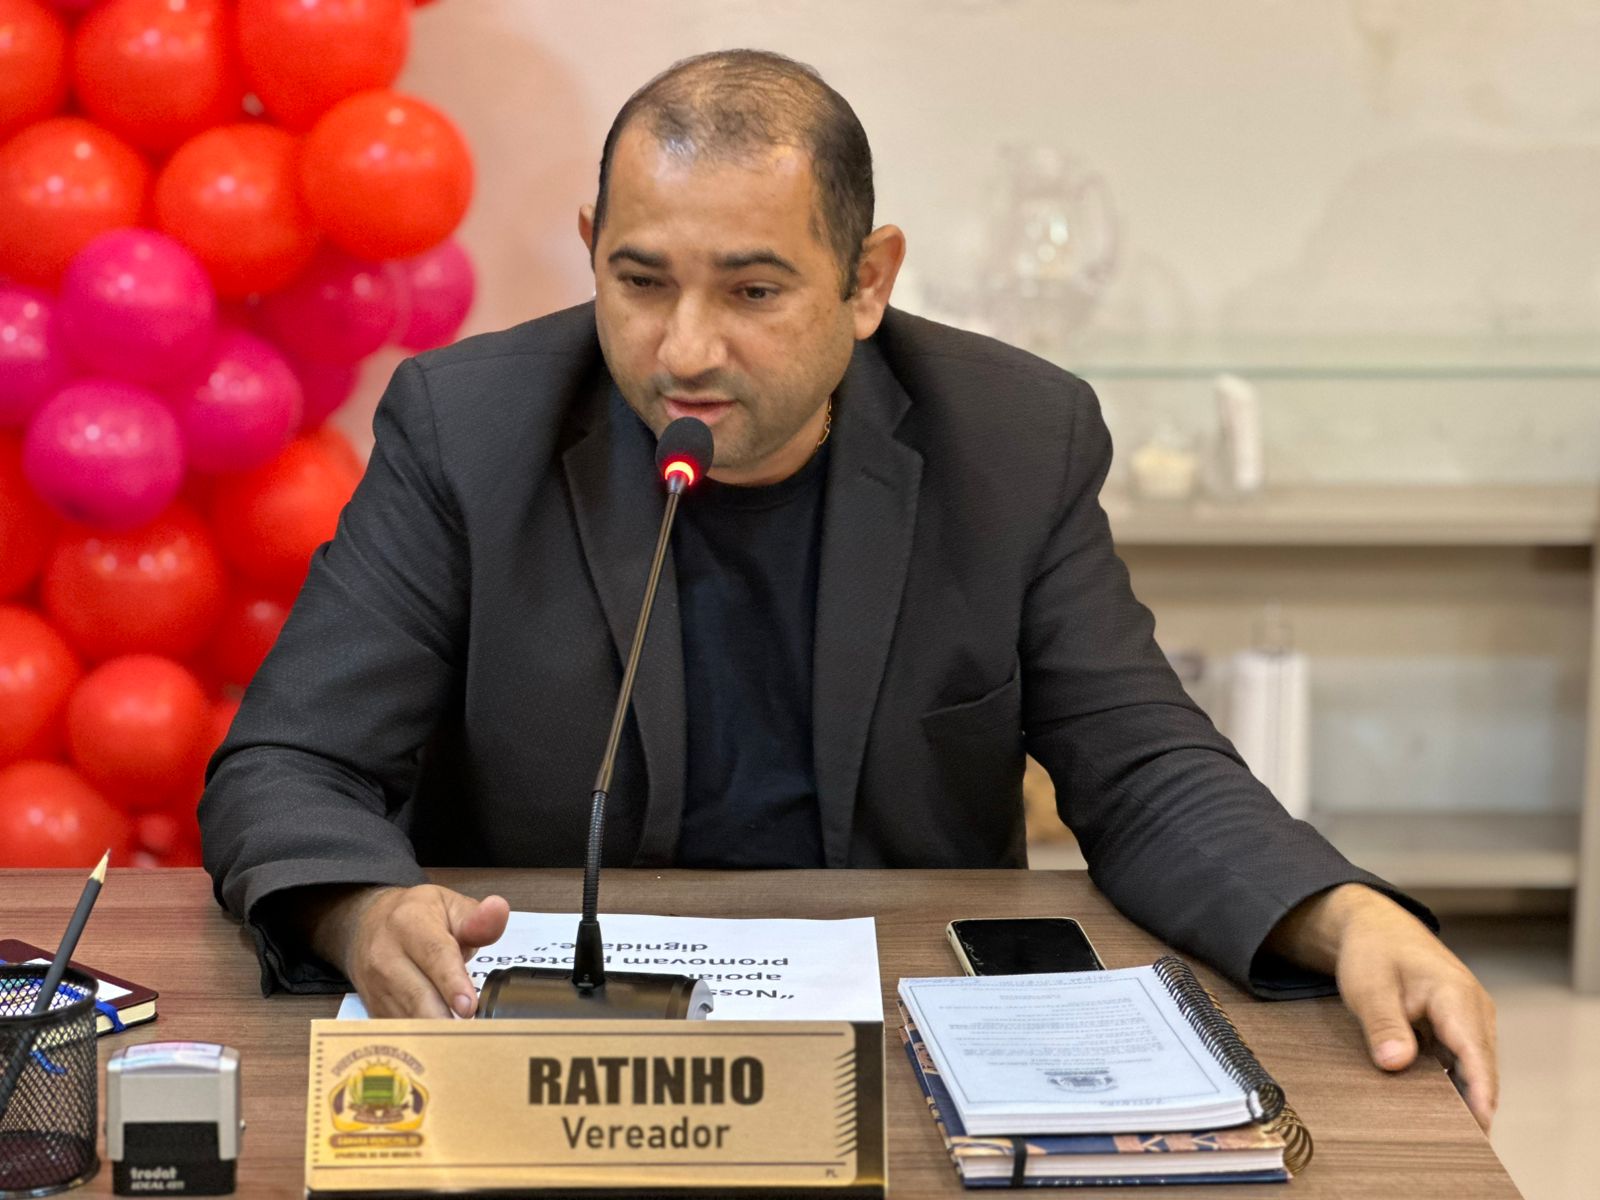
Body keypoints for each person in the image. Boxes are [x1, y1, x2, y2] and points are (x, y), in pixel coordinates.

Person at [200, 49, 1498, 1129]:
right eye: (639, 282)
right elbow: (290, 762)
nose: (683, 350)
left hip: (893, 1050)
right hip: (561, 1055)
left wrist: (1343, 914)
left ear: (867, 280)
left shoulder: (1013, 440)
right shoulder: (467, 429)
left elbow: (1143, 767)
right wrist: (361, 910)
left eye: (753, 290)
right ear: (590, 250)